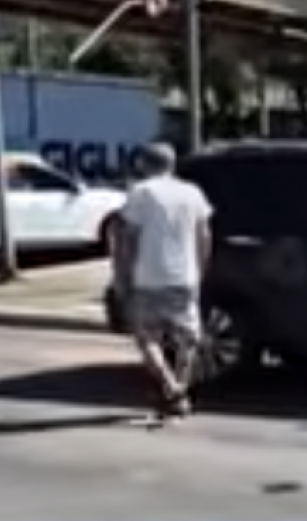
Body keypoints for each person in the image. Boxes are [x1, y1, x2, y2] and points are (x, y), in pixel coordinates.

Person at [118, 142, 213, 421]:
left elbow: (128, 238)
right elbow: (204, 235)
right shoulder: (192, 193)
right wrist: (200, 270)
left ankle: (170, 386)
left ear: (145, 165)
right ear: (173, 164)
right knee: (189, 339)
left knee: (147, 338)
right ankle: (180, 388)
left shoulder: (141, 192)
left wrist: (124, 273)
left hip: (148, 277)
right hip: (184, 276)